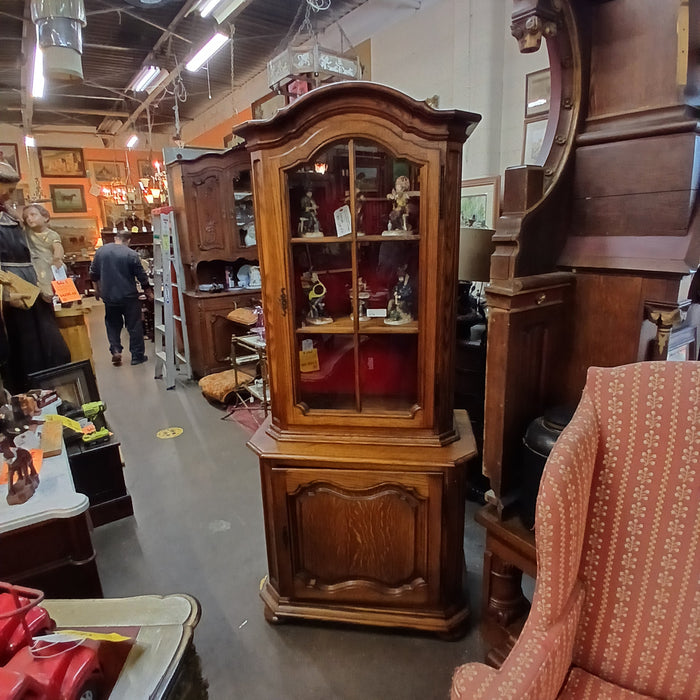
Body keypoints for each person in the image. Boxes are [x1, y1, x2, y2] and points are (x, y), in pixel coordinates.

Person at [0, 163, 70, 394]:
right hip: (11, 289)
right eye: (6, 190)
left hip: (32, 285)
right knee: (24, 348)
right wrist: (4, 293)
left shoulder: (9, 215)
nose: (9, 196)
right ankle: (30, 396)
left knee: (51, 344)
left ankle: (52, 391)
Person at [90, 230, 153, 366]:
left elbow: (93, 273)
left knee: (112, 324)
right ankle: (137, 356)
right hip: (128, 295)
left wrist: (97, 290)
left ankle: (116, 350)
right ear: (129, 241)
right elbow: (141, 276)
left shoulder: (101, 251)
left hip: (109, 296)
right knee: (134, 325)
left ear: (115, 238)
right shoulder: (131, 254)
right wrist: (148, 292)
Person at [22, 203, 66, 301]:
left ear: (45, 217)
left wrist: (57, 258)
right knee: (39, 267)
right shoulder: (27, 231)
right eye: (26, 217)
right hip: (34, 260)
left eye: (33, 215)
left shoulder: (52, 235)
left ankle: (53, 293)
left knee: (57, 269)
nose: (29, 218)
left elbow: (58, 247)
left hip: (50, 260)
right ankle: (45, 292)